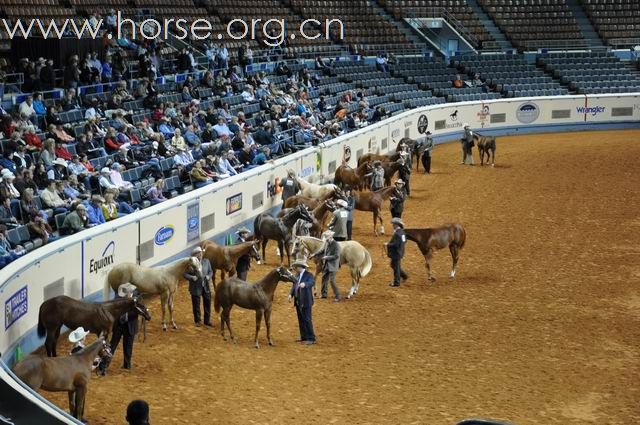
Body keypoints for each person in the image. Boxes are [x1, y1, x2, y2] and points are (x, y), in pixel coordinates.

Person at [109, 282, 139, 370]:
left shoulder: (137, 299)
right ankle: (104, 365)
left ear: (130, 292)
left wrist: (126, 316)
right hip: (118, 326)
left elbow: (136, 312)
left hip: (130, 325)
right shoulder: (118, 298)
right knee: (112, 345)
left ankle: (127, 365)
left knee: (128, 346)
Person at [288, 259, 316, 345]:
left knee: (307, 319)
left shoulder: (309, 275)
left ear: (300, 267)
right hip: (298, 301)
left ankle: (311, 338)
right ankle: (303, 336)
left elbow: (311, 282)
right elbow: (294, 286)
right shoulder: (297, 275)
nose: (295, 268)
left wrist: (305, 284)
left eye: (296, 266)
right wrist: (290, 294)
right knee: (301, 319)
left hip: (306, 301)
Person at [184, 247, 213, 327]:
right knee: (196, 305)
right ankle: (198, 321)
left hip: (206, 286)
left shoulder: (206, 261)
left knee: (207, 303)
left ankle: (207, 321)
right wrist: (191, 277)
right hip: (195, 287)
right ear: (195, 255)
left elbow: (211, 271)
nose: (200, 254)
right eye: (198, 253)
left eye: (201, 253)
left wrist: (208, 276)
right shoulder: (190, 264)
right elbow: (185, 274)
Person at [311, 230, 341, 302]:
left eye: (327, 237)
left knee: (332, 281)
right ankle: (324, 294)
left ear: (331, 237)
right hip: (326, 264)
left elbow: (336, 256)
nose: (326, 238)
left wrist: (327, 257)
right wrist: (314, 254)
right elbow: (322, 250)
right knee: (324, 278)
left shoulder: (336, 245)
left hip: (333, 266)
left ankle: (338, 296)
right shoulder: (326, 243)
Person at [385, 217, 407, 287]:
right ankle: (404, 275)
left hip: (396, 253)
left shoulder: (397, 234)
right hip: (400, 252)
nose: (392, 225)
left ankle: (396, 282)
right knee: (393, 265)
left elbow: (396, 244)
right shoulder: (402, 232)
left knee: (396, 267)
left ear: (397, 225)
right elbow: (404, 241)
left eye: (393, 224)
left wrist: (387, 244)